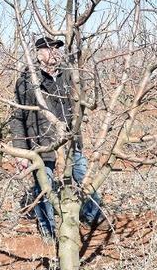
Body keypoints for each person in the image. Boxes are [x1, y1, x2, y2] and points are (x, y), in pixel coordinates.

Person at [11, 37, 103, 239]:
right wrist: (21, 151)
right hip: (41, 143)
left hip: (70, 141)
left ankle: (92, 215)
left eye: (57, 48)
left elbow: (79, 105)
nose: (55, 52)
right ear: (38, 53)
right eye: (49, 48)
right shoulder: (26, 80)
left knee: (83, 176)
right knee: (44, 186)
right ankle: (48, 230)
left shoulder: (69, 75)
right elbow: (17, 117)